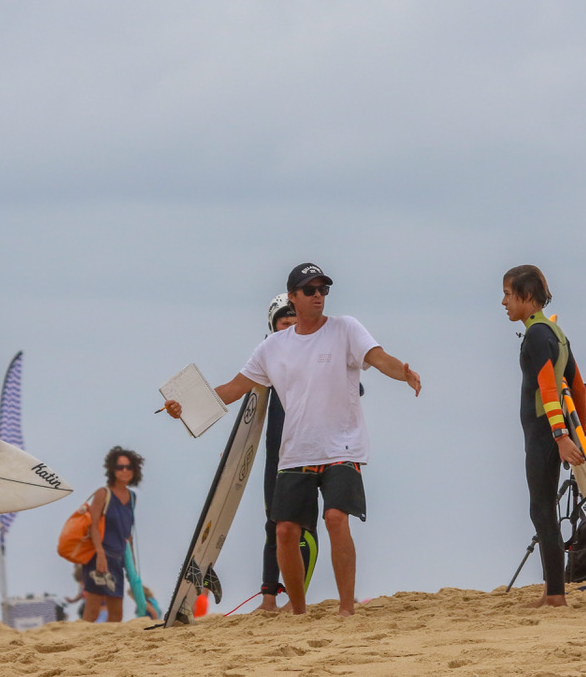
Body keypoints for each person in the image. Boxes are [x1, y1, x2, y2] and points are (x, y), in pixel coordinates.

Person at [165, 263, 421, 617]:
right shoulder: (273, 347)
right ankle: (298, 612)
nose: (318, 296)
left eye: (323, 290)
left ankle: (347, 609)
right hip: (297, 451)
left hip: (342, 446)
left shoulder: (345, 328)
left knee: (335, 518)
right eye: (310, 290)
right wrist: (186, 407)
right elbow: (234, 388)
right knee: (284, 530)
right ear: (293, 297)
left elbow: (377, 358)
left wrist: (403, 373)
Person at [501, 266, 586, 608]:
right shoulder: (556, 332)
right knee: (545, 510)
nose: (504, 301)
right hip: (555, 433)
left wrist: (561, 435)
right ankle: (553, 591)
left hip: (544, 433)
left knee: (542, 510)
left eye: (508, 293)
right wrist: (577, 431)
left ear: (525, 296)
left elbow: (549, 387)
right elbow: (578, 386)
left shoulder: (537, 335)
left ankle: (555, 595)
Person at [258, 294, 319, 613]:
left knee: (303, 528)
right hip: (274, 455)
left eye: (297, 323)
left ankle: (298, 598)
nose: (292, 328)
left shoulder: (316, 360)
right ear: (273, 326)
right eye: (285, 323)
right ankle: (268, 598)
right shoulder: (266, 362)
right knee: (273, 525)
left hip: (306, 455)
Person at [81, 447, 143, 623]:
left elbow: (127, 533)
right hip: (99, 557)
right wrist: (100, 553)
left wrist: (132, 567)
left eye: (128, 467)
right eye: (119, 467)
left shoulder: (132, 497)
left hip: (118, 559)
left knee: (117, 615)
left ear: (134, 470)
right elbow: (92, 526)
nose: (124, 471)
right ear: (112, 469)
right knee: (91, 613)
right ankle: (80, 647)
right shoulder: (103, 494)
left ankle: (108, 649)